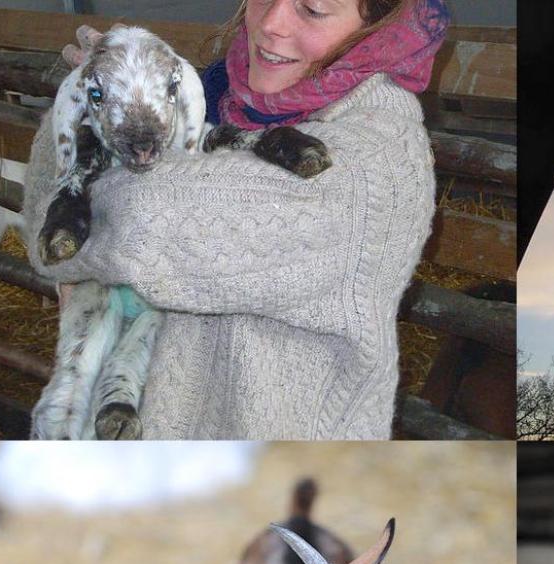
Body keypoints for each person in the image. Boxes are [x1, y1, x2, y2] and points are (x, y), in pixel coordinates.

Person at [30, 0, 448, 439]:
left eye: (312, 9)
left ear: (378, 22)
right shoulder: (215, 92)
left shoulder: (370, 159)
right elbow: (48, 229)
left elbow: (139, 221)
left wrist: (104, 114)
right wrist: (96, 95)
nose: (270, 24)